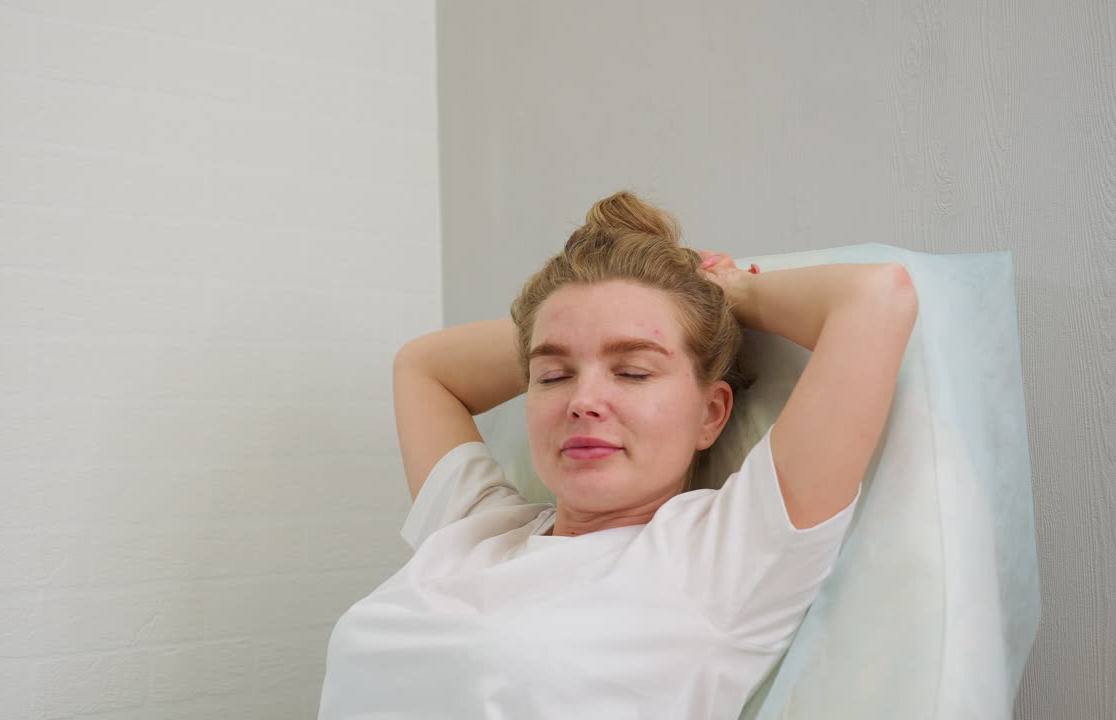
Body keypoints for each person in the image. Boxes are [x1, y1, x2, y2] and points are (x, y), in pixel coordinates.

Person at [318, 190, 918, 719]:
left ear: (711, 413)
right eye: (552, 376)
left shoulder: (719, 559)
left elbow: (875, 299)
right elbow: (421, 367)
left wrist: (724, 294)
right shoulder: (475, 530)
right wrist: (570, 319)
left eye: (632, 371)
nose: (584, 400)